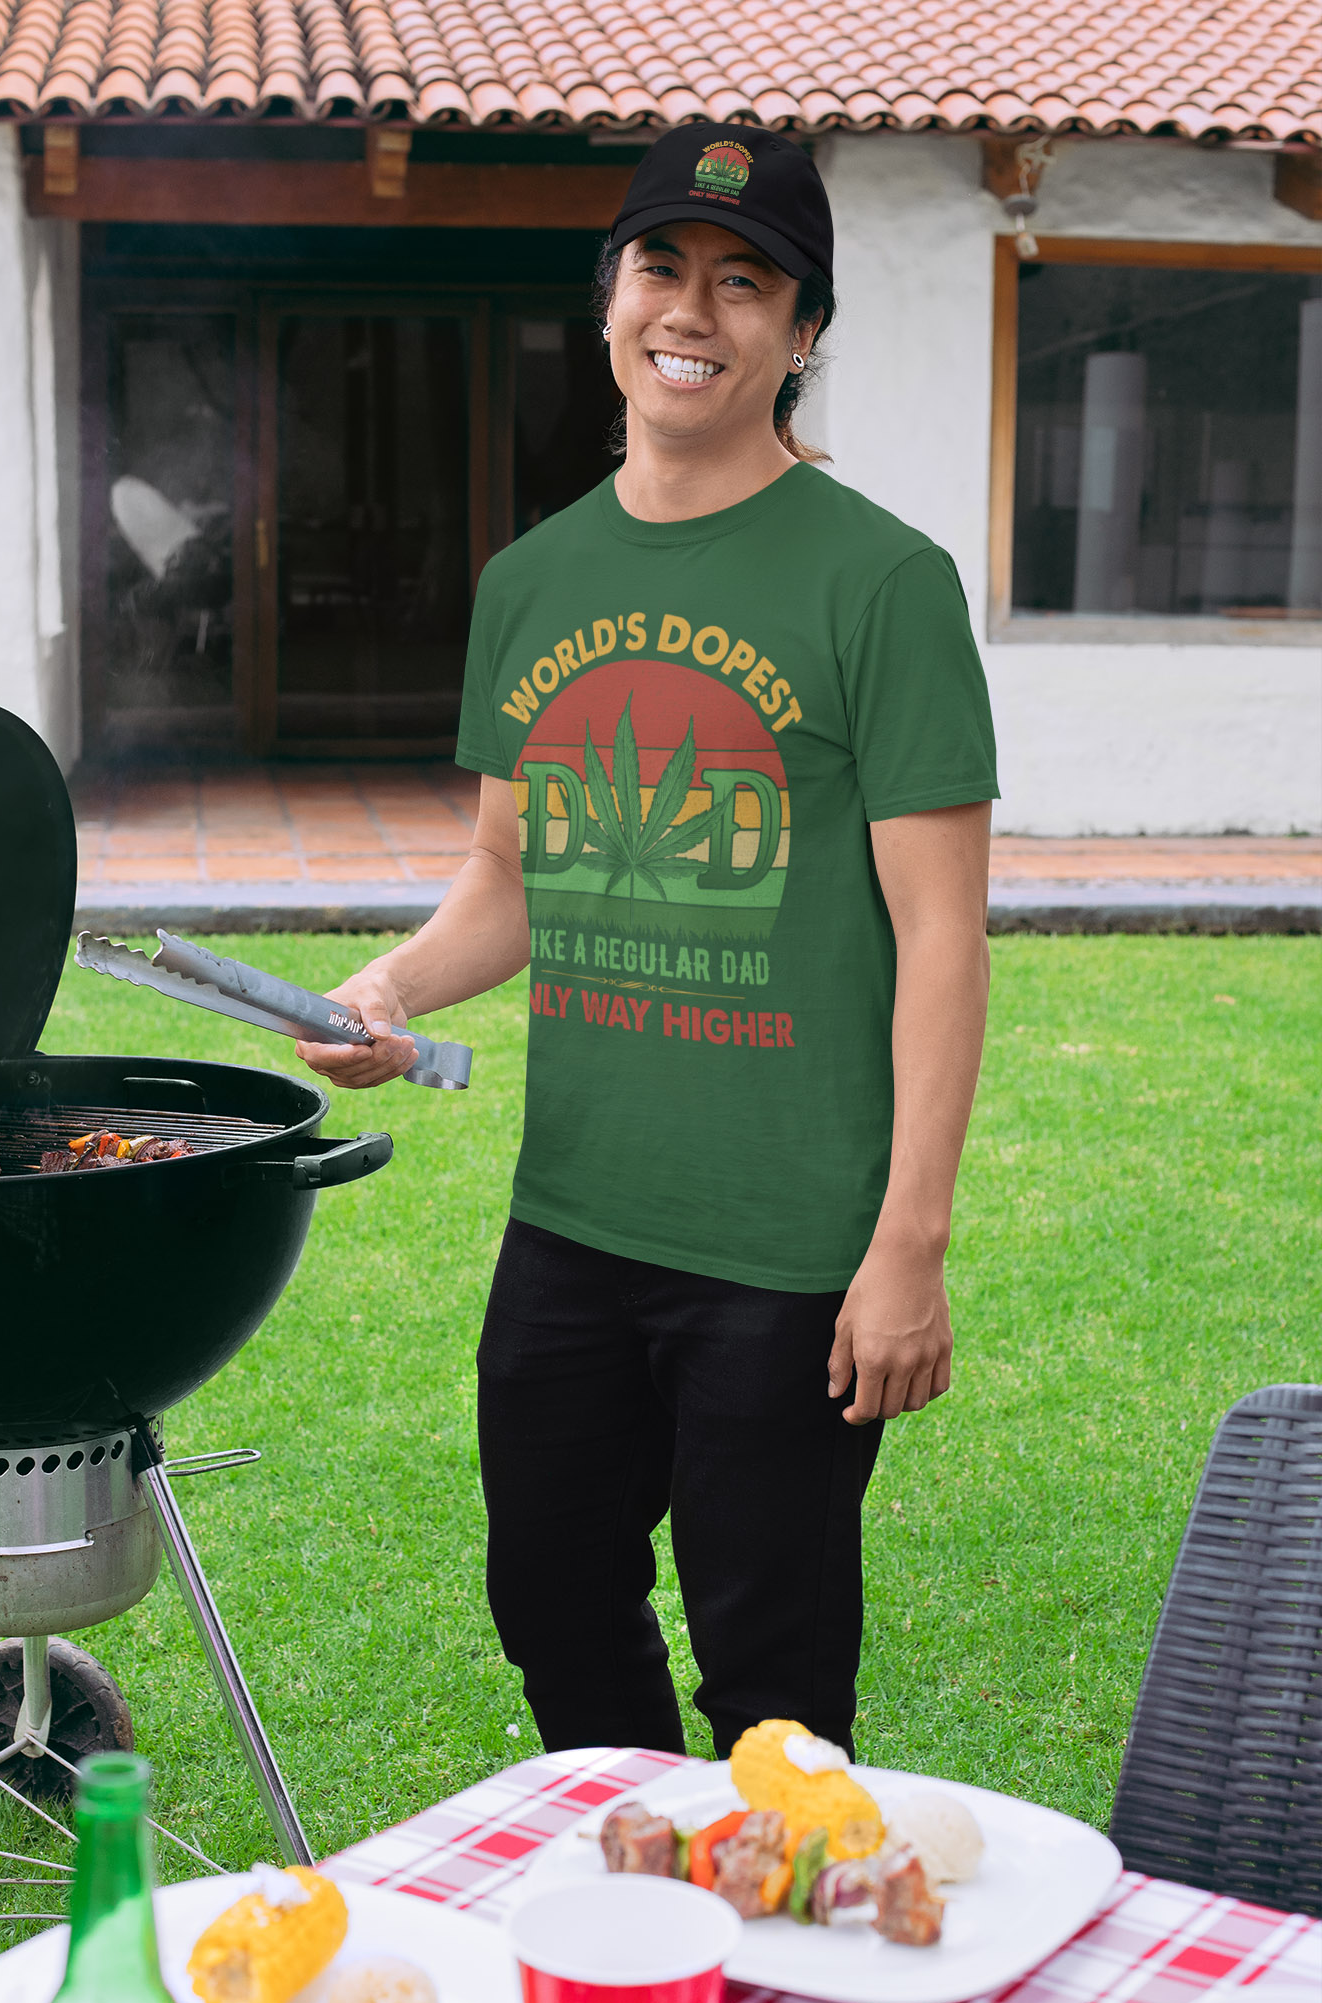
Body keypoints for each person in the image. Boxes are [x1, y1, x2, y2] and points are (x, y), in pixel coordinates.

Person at [297, 123, 998, 1762]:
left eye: (747, 281)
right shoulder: (535, 580)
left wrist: (910, 1243)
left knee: (774, 1664)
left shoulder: (883, 582)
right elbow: (508, 879)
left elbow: (944, 937)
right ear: (609, 300)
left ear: (802, 331)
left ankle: (770, 1978)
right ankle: (651, 1915)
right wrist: (391, 985)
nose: (696, 309)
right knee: (548, 1598)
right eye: (663, 266)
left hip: (784, 1248)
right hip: (576, 1224)